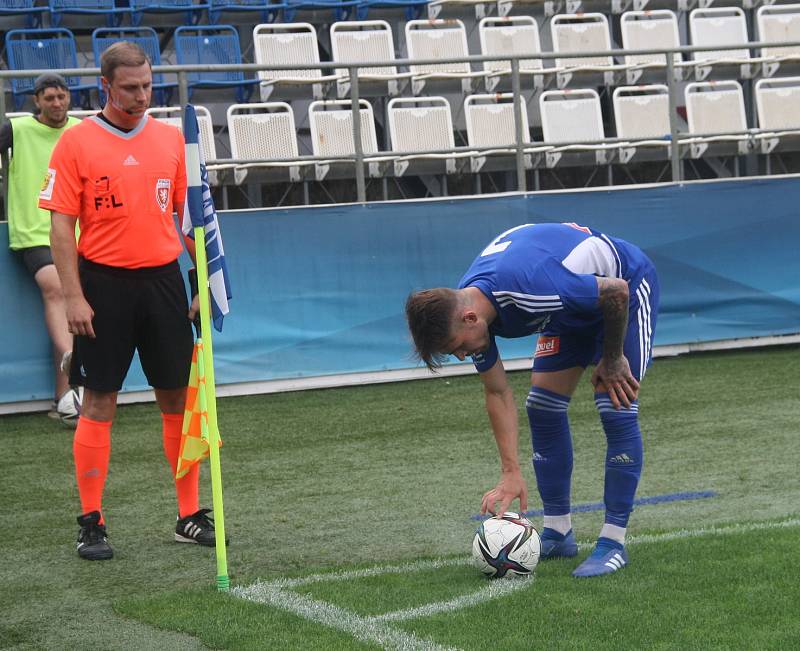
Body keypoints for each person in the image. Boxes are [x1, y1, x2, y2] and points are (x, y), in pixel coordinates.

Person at [39, 42, 221, 561]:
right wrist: (73, 294)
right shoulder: (76, 143)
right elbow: (60, 226)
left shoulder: (171, 140)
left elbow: (192, 220)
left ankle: (188, 514)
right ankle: (91, 520)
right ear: (106, 86)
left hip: (163, 281)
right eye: (130, 88)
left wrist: (203, 279)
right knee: (99, 402)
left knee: (177, 401)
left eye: (147, 86)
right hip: (103, 286)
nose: (142, 96)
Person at [405, 222, 659, 578]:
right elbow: (497, 391)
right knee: (542, 406)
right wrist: (510, 472)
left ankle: (613, 542)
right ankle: (558, 531)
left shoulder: (527, 289)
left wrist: (613, 358)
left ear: (469, 318)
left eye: (458, 347)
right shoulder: (473, 310)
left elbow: (615, 292)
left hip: (624, 289)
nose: (462, 355)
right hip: (569, 307)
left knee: (614, 403)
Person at [1, 73, 82, 425]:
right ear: (36, 100)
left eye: (62, 96)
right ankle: (77, 367)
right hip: (33, 234)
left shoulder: (82, 130)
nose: (57, 103)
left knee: (72, 310)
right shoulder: (14, 131)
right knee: (57, 290)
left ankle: (65, 397)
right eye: (49, 97)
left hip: (80, 234)